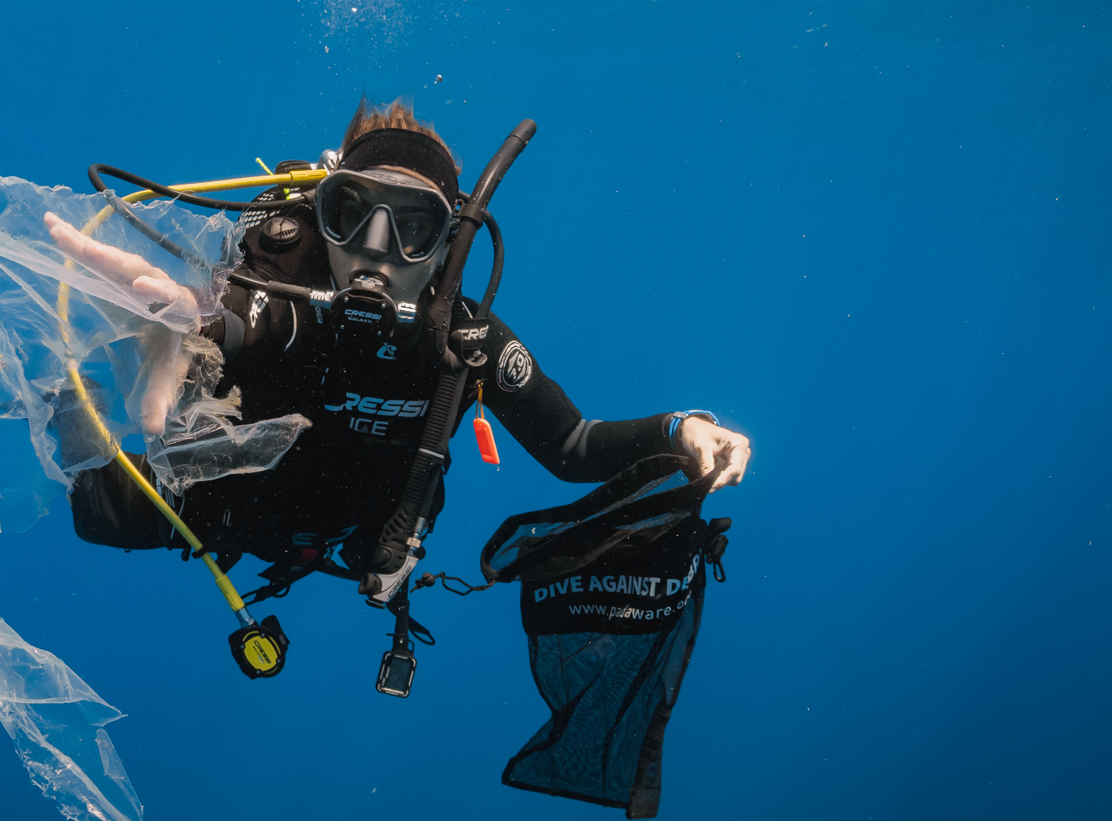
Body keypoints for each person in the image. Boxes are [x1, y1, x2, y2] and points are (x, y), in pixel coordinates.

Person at [42, 100, 752, 604]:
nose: (376, 251)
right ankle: (56, 383)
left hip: (341, 536)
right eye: (353, 216)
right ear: (325, 216)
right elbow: (238, 319)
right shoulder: (288, 297)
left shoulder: (465, 339)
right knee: (97, 515)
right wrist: (183, 318)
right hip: (225, 500)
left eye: (412, 225)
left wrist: (677, 429)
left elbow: (572, 445)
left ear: (449, 242)